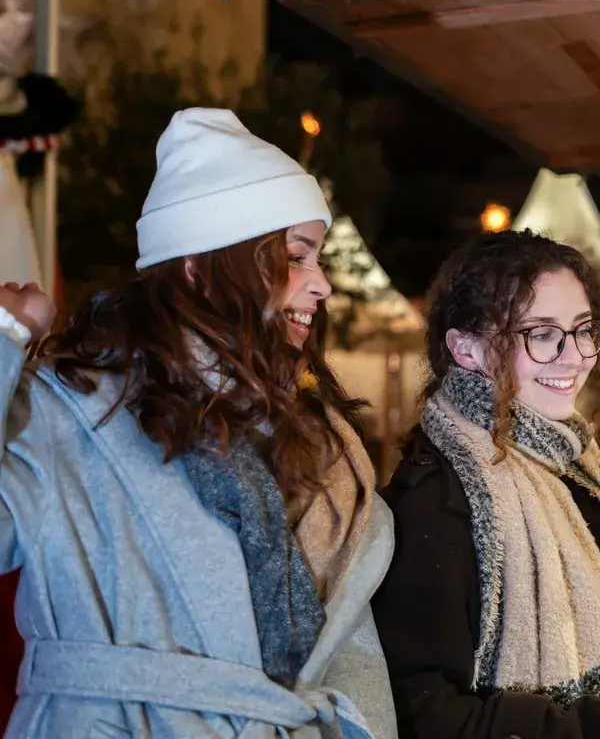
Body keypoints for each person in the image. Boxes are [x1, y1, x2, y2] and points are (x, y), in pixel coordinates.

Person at [0, 108, 397, 737]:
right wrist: (3, 340)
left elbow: (344, 660)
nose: (321, 285)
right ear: (200, 265)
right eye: (297, 257)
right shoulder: (67, 405)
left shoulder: (304, 441)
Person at [374, 230, 600, 739]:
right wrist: (598, 727)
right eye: (542, 334)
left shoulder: (575, 470)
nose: (575, 357)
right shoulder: (436, 499)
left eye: (584, 329)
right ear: (465, 348)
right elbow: (419, 713)